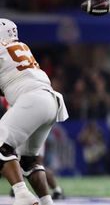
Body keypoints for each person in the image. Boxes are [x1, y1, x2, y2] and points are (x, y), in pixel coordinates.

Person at [0, 18, 68, 205]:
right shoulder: (22, 47)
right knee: (30, 161)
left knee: (1, 146)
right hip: (50, 100)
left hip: (31, 100)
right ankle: (47, 201)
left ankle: (22, 195)